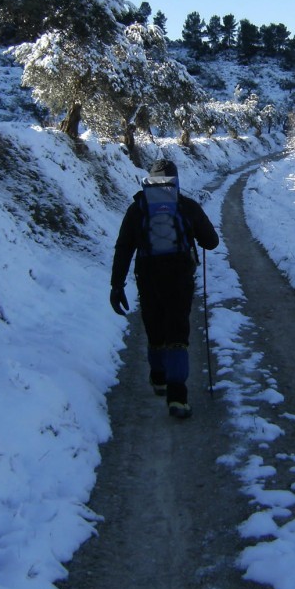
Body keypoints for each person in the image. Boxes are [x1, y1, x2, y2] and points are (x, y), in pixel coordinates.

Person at [110, 159, 219, 419]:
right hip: (180, 277)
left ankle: (158, 379)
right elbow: (211, 242)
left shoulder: (137, 208)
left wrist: (117, 284)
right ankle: (177, 397)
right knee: (177, 332)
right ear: (175, 180)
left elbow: (124, 247)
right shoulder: (186, 206)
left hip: (147, 276)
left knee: (154, 326)